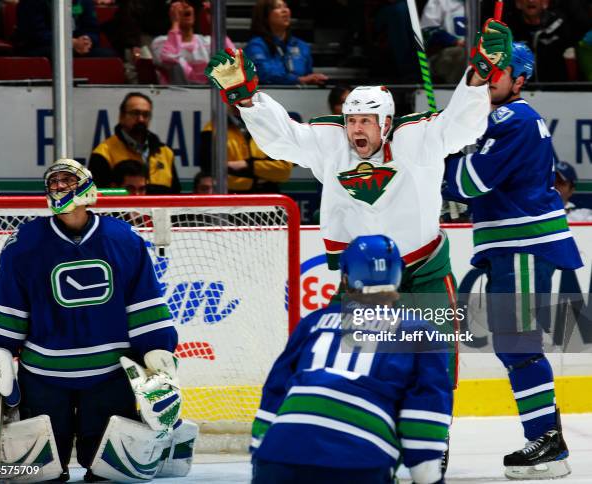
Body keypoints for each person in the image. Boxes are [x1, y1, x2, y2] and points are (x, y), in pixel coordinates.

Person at [205, 20, 512, 313]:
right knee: (352, 360)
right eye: (351, 121)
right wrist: (246, 99)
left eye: (366, 121)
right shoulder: (332, 144)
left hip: (423, 275)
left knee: (435, 355)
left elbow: (460, 126)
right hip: (363, 280)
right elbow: (283, 139)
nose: (356, 129)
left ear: (387, 123)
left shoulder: (418, 138)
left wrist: (480, 75)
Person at [0, 159, 190, 481]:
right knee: (39, 474)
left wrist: (159, 362)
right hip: (44, 376)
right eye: (54, 182)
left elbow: (145, 308)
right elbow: (7, 314)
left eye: (68, 180)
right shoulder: (24, 244)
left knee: (111, 474)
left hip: (109, 375)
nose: (60, 187)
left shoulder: (124, 239)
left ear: (88, 186)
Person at [443, 43, 580, 479]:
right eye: (485, 70)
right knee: (515, 343)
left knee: (517, 343)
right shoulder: (498, 117)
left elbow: (470, 181)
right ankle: (548, 437)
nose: (489, 78)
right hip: (514, 244)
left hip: (523, 242)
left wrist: (436, 162)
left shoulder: (514, 118)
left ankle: (547, 443)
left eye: (498, 73)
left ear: (519, 80)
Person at [250, 235, 452, 484]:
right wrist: (428, 478)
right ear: (398, 276)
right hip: (357, 462)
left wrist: (260, 457)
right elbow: (422, 412)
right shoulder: (420, 332)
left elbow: (274, 391)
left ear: (344, 278)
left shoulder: (313, 323)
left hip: (278, 457)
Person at [89, 92, 181, 194]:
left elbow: (175, 195)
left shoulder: (165, 152)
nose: (141, 119)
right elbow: (97, 199)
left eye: (145, 114)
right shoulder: (103, 153)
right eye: (135, 113)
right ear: (121, 116)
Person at [200, 105, 293, 193]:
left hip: (269, 195)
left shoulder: (271, 127)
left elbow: (284, 170)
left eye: (244, 97)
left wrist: (246, 165)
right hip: (231, 196)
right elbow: (211, 169)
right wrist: (264, 170)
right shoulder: (212, 129)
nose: (238, 102)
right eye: (232, 97)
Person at [151, 0, 236, 85]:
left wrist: (214, 23)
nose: (185, 6)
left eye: (188, 3)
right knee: (177, 65)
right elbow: (169, 58)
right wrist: (175, 23)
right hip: (175, 94)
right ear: (170, 14)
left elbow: (232, 58)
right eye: (179, 4)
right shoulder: (160, 42)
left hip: (206, 94)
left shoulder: (207, 42)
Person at [244, 0, 328, 85]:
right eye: (277, 7)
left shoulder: (301, 45)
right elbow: (264, 74)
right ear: (265, 16)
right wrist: (299, 80)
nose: (285, 10)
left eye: (285, 6)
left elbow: (308, 75)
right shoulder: (256, 46)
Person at [15, 0, 116, 58]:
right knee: (62, 55)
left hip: (77, 46)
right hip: (41, 47)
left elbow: (92, 28)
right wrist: (70, 42)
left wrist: (87, 40)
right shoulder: (31, 2)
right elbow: (35, 34)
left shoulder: (84, 1)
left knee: (108, 55)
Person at [504, 0, 576, 82]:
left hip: (556, 87)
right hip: (522, 87)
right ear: (518, 3)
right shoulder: (508, 29)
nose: (530, 1)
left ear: (545, 3)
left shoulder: (560, 25)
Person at [420, 0, 467, 84]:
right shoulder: (438, 2)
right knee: (462, 54)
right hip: (442, 54)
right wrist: (454, 41)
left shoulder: (480, 4)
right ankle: (458, 93)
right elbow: (427, 31)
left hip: (476, 51)